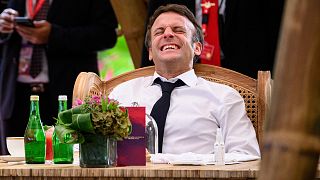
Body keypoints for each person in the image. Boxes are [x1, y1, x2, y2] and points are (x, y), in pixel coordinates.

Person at [109, 4, 260, 156]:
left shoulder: (224, 97)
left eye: (178, 30)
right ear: (150, 52)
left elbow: (247, 154)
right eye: (159, 32)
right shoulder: (122, 94)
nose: (167, 34)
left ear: (197, 48)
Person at [0, 0, 118, 155]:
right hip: (15, 96)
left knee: (66, 160)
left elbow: (107, 34)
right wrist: (3, 28)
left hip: (65, 95)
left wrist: (53, 35)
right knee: (14, 164)